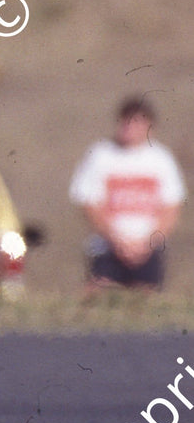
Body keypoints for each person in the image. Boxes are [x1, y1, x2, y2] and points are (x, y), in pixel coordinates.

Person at [69, 97, 185, 291]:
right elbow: (89, 204)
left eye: (137, 122)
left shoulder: (162, 159)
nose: (130, 128)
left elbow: (171, 208)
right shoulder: (100, 154)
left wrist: (147, 244)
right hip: (106, 248)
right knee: (100, 293)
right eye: (126, 121)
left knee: (146, 296)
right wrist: (117, 241)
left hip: (148, 250)